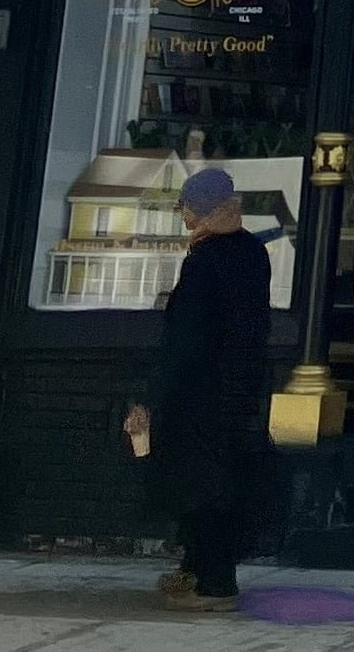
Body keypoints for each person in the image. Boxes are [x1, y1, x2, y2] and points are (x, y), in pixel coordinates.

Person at [126, 162, 272, 610]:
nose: (184, 215)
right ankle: (194, 569)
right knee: (218, 479)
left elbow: (186, 338)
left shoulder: (206, 259)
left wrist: (158, 392)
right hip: (239, 386)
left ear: (202, 211)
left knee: (200, 485)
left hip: (199, 391)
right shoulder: (251, 251)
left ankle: (214, 584)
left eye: (187, 207)